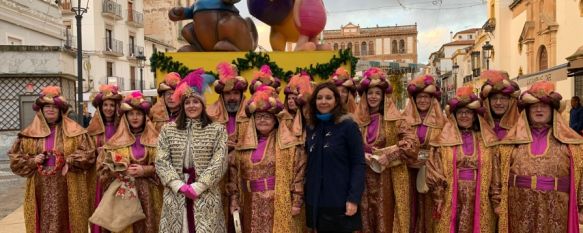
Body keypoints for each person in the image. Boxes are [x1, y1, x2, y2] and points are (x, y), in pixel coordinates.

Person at [496, 81, 583, 233]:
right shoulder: (511, 143)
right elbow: (497, 175)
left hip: (557, 206)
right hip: (519, 206)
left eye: (543, 106)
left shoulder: (570, 143)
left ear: (553, 110)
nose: (538, 109)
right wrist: (497, 202)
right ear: (527, 112)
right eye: (534, 106)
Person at [9, 86, 95, 233]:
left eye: (54, 107)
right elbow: (15, 160)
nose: (50, 109)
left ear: (60, 110)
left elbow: (88, 153)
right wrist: (32, 160)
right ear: (41, 110)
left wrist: (69, 160)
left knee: (68, 221)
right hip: (39, 185)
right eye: (47, 106)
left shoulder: (75, 131)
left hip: (68, 183)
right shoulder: (29, 134)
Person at [156, 69, 228, 233]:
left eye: (196, 102)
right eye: (187, 102)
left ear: (203, 104)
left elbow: (219, 162)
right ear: (182, 105)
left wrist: (199, 186)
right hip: (176, 193)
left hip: (205, 193)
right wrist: (178, 185)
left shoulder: (217, 130)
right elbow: (161, 161)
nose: (191, 106)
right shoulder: (168, 130)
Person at [228, 85, 306, 232]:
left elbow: (299, 173)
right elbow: (234, 175)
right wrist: (234, 199)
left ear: (275, 120)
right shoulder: (243, 146)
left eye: (267, 116)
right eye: (259, 117)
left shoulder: (289, 145)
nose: (262, 120)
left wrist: (297, 201)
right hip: (249, 201)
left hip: (276, 201)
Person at [426, 86, 500, 233]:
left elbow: (495, 173)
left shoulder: (486, 140)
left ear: (474, 116)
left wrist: (496, 200)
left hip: (479, 197)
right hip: (451, 196)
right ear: (454, 116)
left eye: (468, 112)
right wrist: (439, 196)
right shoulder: (443, 141)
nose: (464, 116)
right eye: (460, 112)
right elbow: (435, 169)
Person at [353, 67, 418, 233]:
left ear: (383, 96)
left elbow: (412, 142)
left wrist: (389, 155)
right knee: (364, 219)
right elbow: (346, 146)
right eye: (370, 93)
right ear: (364, 96)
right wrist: (361, 154)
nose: (373, 97)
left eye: (377, 93)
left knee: (385, 220)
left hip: (387, 180)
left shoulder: (395, 120)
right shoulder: (356, 121)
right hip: (362, 179)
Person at [304, 82, 366, 233]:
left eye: (328, 97)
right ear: (314, 102)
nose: (323, 101)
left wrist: (353, 198)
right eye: (319, 98)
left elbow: (358, 163)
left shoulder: (348, 126)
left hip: (339, 200)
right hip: (315, 200)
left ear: (336, 101)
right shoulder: (312, 127)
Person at [98, 91, 162, 232]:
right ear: (125, 117)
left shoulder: (157, 140)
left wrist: (145, 170)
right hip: (123, 195)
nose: (134, 117)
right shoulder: (114, 142)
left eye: (138, 114)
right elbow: (102, 169)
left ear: (145, 117)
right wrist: (119, 170)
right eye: (131, 114)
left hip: (150, 195)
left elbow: (165, 166)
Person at [205, 62, 249, 233]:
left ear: (241, 94)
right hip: (219, 176)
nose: (232, 97)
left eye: (235, 93)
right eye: (228, 93)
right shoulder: (209, 114)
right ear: (222, 95)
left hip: (243, 172)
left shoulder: (251, 113)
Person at [401, 74, 446, 233]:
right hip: (407, 173)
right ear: (414, 99)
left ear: (432, 99)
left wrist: (425, 160)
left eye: (426, 97)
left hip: (431, 173)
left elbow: (443, 148)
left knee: (429, 211)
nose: (423, 101)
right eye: (419, 97)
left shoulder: (443, 122)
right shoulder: (403, 120)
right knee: (410, 209)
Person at [86, 84, 123, 233]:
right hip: (98, 179)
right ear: (100, 107)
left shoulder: (122, 127)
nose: (108, 108)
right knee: (100, 210)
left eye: (111, 105)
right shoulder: (91, 130)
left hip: (118, 177)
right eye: (105, 105)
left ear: (116, 107)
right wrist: (96, 152)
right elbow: (85, 152)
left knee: (119, 213)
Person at [479, 70, 521, 140]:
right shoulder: (479, 127)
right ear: (488, 102)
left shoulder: (521, 127)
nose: (498, 102)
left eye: (503, 98)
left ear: (511, 101)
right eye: (494, 98)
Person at [282, 71, 313, 140]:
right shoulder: (284, 117)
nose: (290, 101)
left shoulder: (307, 116)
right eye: (289, 98)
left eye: (294, 98)